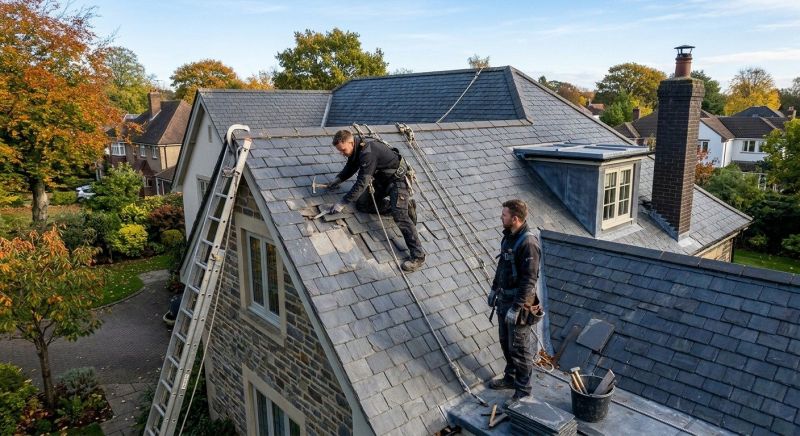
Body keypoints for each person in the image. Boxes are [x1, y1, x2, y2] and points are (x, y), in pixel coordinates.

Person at [328, 130, 425, 272]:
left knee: (400, 216)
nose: (342, 153)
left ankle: (418, 256)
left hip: (398, 181)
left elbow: (362, 182)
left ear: (350, 142)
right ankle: (401, 206)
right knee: (362, 204)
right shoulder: (357, 147)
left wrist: (342, 202)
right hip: (382, 180)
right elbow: (351, 166)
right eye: (340, 151)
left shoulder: (367, 152)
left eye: (343, 150)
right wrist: (338, 179)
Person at [487, 199, 541, 403]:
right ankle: (510, 378)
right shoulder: (509, 237)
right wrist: (494, 289)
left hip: (519, 304)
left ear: (515, 218)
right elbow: (502, 265)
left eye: (504, 215)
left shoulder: (528, 243)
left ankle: (524, 390)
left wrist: (516, 308)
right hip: (504, 298)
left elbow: (529, 281)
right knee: (505, 342)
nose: (501, 218)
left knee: (519, 348)